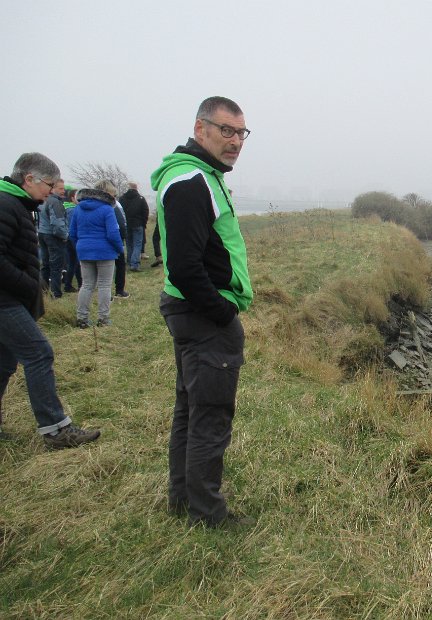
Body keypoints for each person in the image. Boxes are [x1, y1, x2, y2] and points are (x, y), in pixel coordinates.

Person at [150, 96, 253, 527]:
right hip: (204, 317)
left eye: (241, 133)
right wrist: (224, 313)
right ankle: (207, 514)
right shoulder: (192, 182)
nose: (234, 141)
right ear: (200, 129)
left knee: (191, 410)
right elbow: (184, 266)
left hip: (193, 314)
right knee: (210, 417)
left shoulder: (200, 177)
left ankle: (182, 499)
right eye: (225, 130)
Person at [0, 152, 101, 448]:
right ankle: (56, 429)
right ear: (28, 179)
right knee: (39, 353)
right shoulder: (6, 206)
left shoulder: (17, 205)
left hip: (9, 298)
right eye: (48, 184)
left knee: (4, 362)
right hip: (4, 300)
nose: (49, 191)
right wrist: (29, 285)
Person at [69, 180, 124, 328]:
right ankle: (103, 319)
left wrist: (81, 247)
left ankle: (82, 318)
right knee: (105, 285)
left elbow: (72, 233)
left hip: (84, 250)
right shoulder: (107, 209)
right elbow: (113, 233)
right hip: (105, 251)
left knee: (86, 285)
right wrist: (120, 248)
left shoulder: (78, 208)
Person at [37, 178, 68, 298]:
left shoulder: (42, 200)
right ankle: (56, 293)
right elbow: (58, 223)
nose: (63, 191)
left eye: (63, 188)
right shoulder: (55, 202)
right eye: (60, 188)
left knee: (45, 264)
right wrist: (65, 236)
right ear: (52, 189)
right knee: (56, 266)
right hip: (53, 236)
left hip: (42, 233)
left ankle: (43, 290)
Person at [119, 181, 149, 272]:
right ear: (136, 188)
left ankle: (130, 261)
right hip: (138, 224)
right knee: (137, 244)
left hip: (126, 224)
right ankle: (135, 264)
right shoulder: (140, 198)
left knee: (129, 244)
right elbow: (145, 211)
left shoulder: (122, 199)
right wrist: (143, 223)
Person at [63, 187, 82, 292]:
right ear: (72, 198)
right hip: (73, 238)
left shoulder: (66, 207)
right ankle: (81, 284)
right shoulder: (72, 210)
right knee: (78, 262)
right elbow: (73, 227)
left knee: (72, 262)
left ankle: (68, 284)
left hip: (68, 238)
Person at [112, 197, 129, 298]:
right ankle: (119, 290)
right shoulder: (114, 205)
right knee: (120, 265)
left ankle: (105, 294)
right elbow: (122, 224)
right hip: (115, 240)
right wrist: (122, 238)